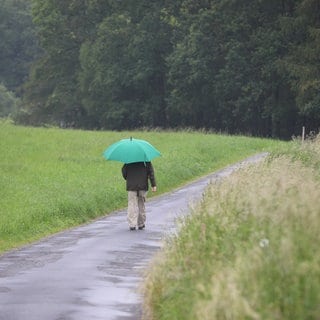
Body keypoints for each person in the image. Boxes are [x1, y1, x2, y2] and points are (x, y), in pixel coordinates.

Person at [122, 161, 157, 230]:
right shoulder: (145, 160)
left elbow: (124, 172)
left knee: (132, 204)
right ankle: (141, 223)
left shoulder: (129, 160)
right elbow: (151, 172)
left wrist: (129, 178)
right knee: (141, 203)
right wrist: (153, 185)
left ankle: (132, 224)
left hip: (131, 186)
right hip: (143, 186)